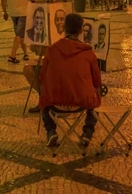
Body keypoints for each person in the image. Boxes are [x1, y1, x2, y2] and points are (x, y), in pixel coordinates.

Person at [40, 13, 101, 147]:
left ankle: (51, 131)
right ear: (80, 30)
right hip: (81, 103)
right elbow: (97, 79)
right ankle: (87, 133)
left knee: (43, 99)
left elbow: (43, 77)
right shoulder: (88, 52)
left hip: (55, 103)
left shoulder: (51, 50)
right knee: (96, 100)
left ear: (65, 28)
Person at [1, 0, 34, 64]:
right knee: (19, 34)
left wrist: (5, 12)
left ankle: (25, 53)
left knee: (19, 34)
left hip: (12, 12)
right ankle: (12, 55)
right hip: (23, 12)